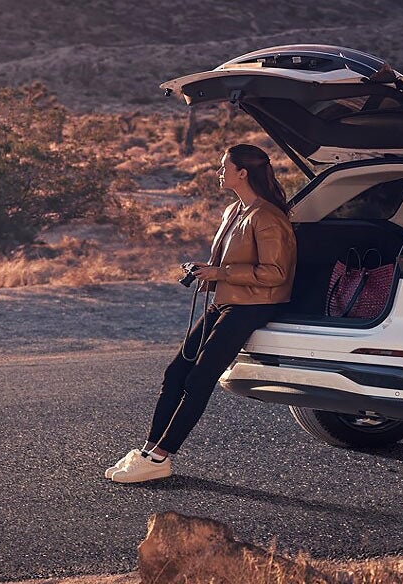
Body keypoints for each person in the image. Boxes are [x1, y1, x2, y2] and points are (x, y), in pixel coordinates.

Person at [107, 144, 297, 483]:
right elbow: (230, 264)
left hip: (254, 305)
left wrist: (221, 274)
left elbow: (276, 273)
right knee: (175, 372)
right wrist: (206, 271)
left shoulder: (268, 216)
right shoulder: (233, 211)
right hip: (226, 300)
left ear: (243, 172)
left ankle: (162, 457)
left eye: (224, 166)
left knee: (199, 378)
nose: (218, 171)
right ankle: (149, 449)